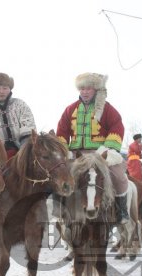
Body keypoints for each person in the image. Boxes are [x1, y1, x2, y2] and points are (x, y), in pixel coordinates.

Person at [56, 72, 129, 224]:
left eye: (88, 88)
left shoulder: (108, 109)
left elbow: (117, 128)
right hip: (77, 155)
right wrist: (64, 150)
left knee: (118, 176)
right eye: (82, 88)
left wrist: (106, 150)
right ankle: (60, 208)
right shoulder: (70, 109)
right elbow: (62, 131)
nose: (84, 92)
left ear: (95, 89)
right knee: (59, 174)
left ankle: (121, 210)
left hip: (100, 154)